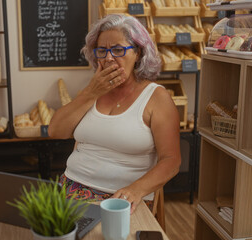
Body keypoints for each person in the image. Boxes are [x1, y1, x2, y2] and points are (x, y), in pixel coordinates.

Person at [48, 14, 181, 214]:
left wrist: (136, 190)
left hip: (124, 200)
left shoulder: (156, 97)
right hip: (71, 190)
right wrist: (91, 93)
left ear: (138, 52)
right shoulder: (92, 90)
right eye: (102, 51)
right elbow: (55, 131)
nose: (109, 58)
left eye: (118, 50)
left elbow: (171, 160)